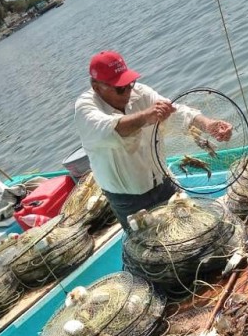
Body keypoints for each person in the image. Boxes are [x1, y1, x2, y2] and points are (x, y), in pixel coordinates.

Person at [74, 50, 232, 231]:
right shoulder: (85, 108)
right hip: (128, 198)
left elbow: (175, 112)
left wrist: (208, 124)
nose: (127, 91)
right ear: (96, 87)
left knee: (190, 230)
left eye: (129, 83)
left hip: (163, 182)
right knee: (149, 250)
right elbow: (110, 130)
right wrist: (145, 117)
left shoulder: (140, 92)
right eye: (120, 88)